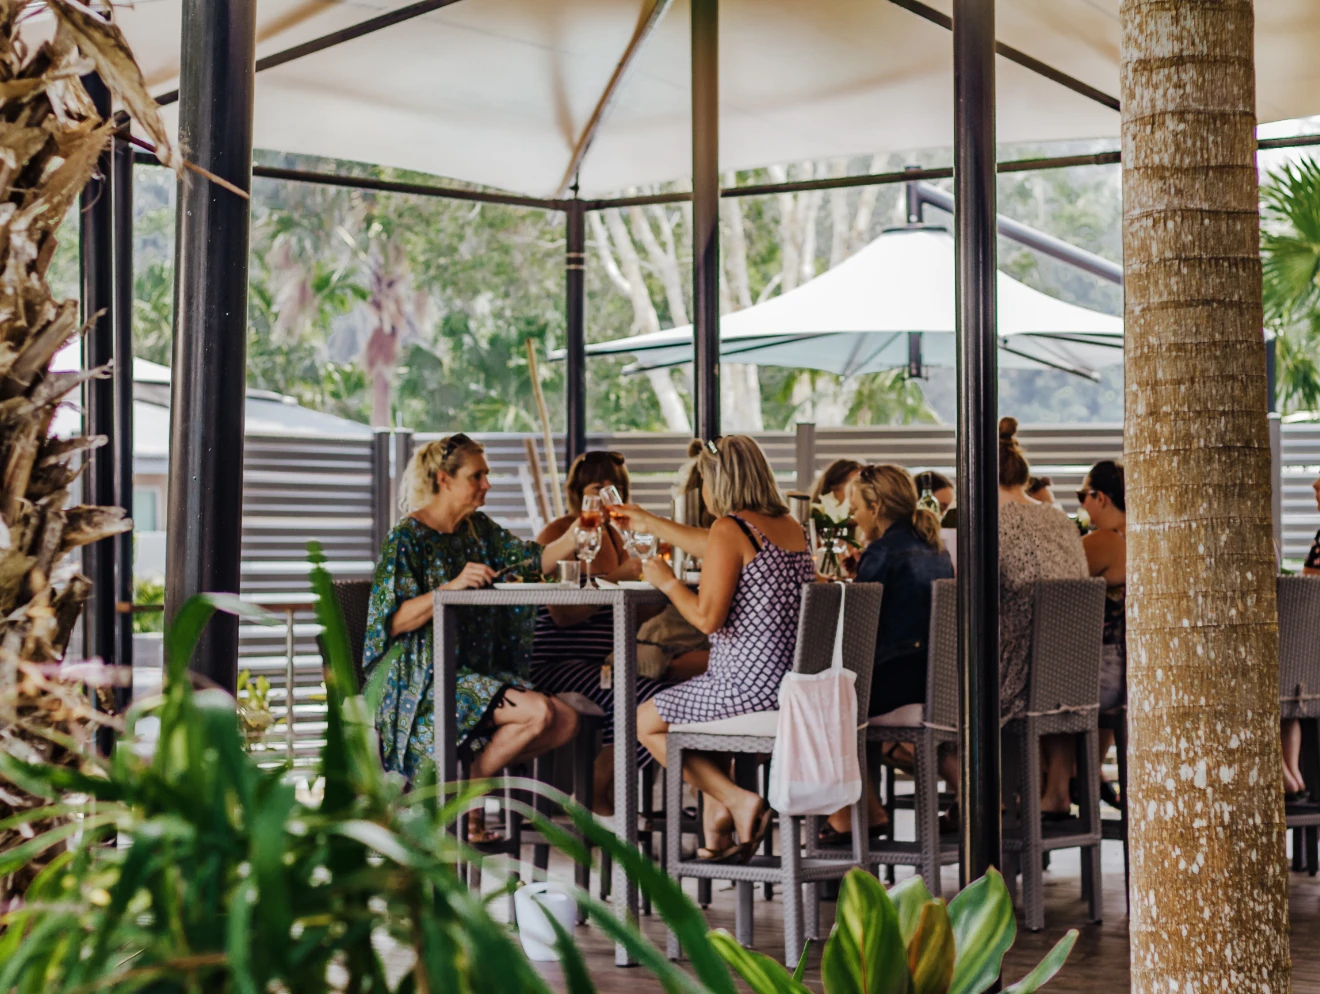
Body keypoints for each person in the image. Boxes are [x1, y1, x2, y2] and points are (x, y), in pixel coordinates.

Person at [363, 434, 583, 842]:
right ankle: (471, 801)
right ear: (444, 479)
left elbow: (532, 563)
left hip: (473, 674)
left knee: (566, 722)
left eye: (487, 474)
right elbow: (389, 623)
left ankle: (466, 784)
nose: (487, 484)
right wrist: (449, 588)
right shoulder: (406, 538)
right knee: (539, 713)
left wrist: (580, 531)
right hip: (423, 682)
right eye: (477, 475)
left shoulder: (477, 530)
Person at [622, 436, 817, 863]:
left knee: (643, 723)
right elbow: (712, 545)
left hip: (744, 688)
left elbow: (707, 618)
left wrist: (665, 581)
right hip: (788, 686)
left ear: (720, 483)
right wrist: (649, 522)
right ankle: (718, 819)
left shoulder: (730, 528)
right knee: (690, 717)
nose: (704, 495)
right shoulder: (789, 526)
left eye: (705, 484)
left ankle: (738, 800)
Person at [528, 450, 677, 812]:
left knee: (675, 694)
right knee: (649, 699)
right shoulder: (559, 533)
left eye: (618, 489)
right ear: (578, 492)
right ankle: (594, 792)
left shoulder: (623, 537)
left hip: (611, 661)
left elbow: (643, 613)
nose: (610, 499)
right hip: (560, 662)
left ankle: (611, 794)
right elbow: (564, 615)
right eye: (599, 489)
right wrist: (618, 578)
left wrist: (660, 580)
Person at [820, 464, 954, 845]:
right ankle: (870, 804)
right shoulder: (933, 546)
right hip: (930, 678)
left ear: (876, 506)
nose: (852, 514)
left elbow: (859, 632)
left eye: (857, 506)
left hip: (893, 681)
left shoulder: (882, 551)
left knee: (829, 700)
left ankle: (859, 811)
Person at [996, 418, 1090, 820]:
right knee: (1043, 646)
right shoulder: (1057, 517)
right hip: (1071, 672)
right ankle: (1054, 791)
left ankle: (994, 799)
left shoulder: (988, 519)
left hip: (1016, 673)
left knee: (953, 693)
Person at [1282, 474, 1320, 800]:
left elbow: (1308, 590)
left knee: (1275, 691)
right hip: (1306, 678)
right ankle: (1291, 776)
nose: (1315, 490)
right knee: (1287, 694)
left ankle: (1288, 776)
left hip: (1311, 670)